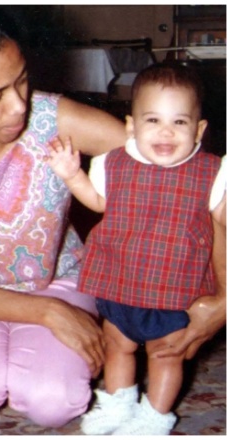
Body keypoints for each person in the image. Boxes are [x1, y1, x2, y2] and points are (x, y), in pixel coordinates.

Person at [0, 6, 225, 430]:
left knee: (55, 403)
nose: (19, 105)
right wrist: (49, 313)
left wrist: (224, 299)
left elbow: (199, 185)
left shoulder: (53, 118)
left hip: (59, 280)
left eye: (22, 80)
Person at [47, 64, 226, 435]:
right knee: (118, 345)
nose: (165, 131)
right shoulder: (113, 163)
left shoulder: (212, 172)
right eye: (153, 120)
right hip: (121, 281)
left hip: (176, 291)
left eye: (180, 122)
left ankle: (154, 415)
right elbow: (97, 201)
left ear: (200, 129)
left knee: (165, 354)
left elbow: (222, 223)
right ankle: (118, 402)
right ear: (131, 126)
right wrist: (71, 175)